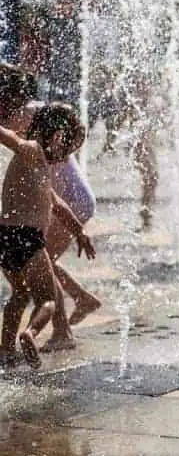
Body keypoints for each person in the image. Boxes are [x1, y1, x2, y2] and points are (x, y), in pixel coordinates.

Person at [0, 66, 101, 351]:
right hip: (62, 200)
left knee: (39, 270)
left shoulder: (27, 115)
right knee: (41, 267)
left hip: (69, 200)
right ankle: (81, 299)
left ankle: (63, 332)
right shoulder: (33, 112)